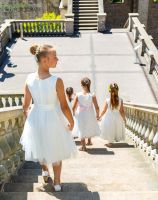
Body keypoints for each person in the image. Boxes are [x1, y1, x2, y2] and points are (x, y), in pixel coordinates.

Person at [20, 44, 77, 192]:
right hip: (53, 118)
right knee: (56, 148)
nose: (57, 59)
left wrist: (31, 120)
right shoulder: (56, 80)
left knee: (41, 146)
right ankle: (57, 183)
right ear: (45, 60)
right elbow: (64, 106)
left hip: (36, 117)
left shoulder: (29, 78)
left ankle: (45, 171)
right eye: (54, 57)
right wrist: (72, 121)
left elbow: (25, 106)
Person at [72, 77, 100, 151]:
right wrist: (97, 115)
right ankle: (89, 141)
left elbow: (74, 106)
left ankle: (83, 146)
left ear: (82, 85)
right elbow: (97, 107)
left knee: (81, 129)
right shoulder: (92, 95)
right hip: (90, 114)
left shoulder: (78, 95)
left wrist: (74, 114)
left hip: (80, 114)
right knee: (89, 126)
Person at [99, 83, 126, 147]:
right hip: (117, 117)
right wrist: (124, 118)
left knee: (110, 129)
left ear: (110, 91)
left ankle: (110, 142)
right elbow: (122, 111)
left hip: (109, 117)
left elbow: (104, 110)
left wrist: (100, 116)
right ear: (117, 90)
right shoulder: (120, 100)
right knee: (115, 128)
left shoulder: (107, 100)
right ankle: (114, 139)